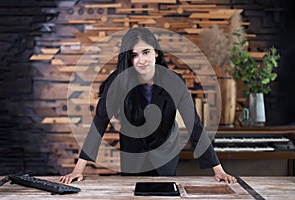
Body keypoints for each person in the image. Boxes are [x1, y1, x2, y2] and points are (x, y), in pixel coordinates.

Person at [59, 27, 237, 184]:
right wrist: (78, 169)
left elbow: (195, 125)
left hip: (166, 148)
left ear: (156, 53)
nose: (141, 60)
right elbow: (99, 123)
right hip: (133, 149)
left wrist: (217, 168)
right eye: (134, 55)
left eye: (146, 52)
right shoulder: (118, 82)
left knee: (164, 192)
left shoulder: (174, 82)